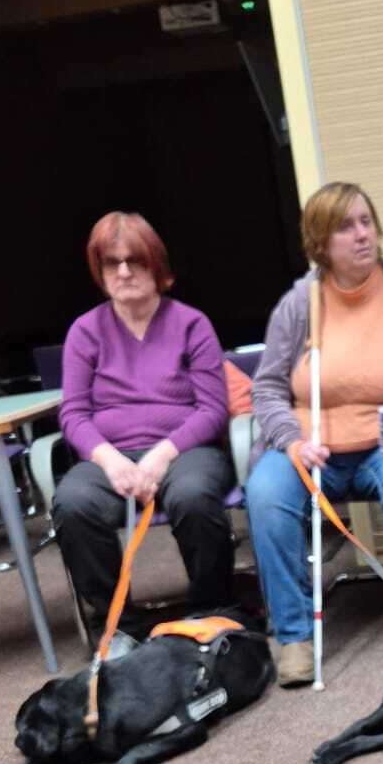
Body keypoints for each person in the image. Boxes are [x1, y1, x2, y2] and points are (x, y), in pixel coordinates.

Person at [247, 182, 383, 687]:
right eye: (346, 227)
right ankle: (294, 635)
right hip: (313, 446)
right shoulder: (300, 304)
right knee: (265, 492)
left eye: (366, 221)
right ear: (321, 242)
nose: (362, 234)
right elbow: (267, 388)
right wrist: (291, 441)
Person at [55, 211, 233, 632]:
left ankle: (213, 612)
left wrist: (162, 455)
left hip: (185, 451)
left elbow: (213, 409)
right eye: (111, 263)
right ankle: (117, 627)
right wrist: (109, 459)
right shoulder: (85, 331)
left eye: (134, 260)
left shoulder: (192, 324)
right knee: (73, 503)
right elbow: (73, 413)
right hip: (111, 456)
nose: (123, 272)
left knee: (192, 496)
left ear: (156, 264)